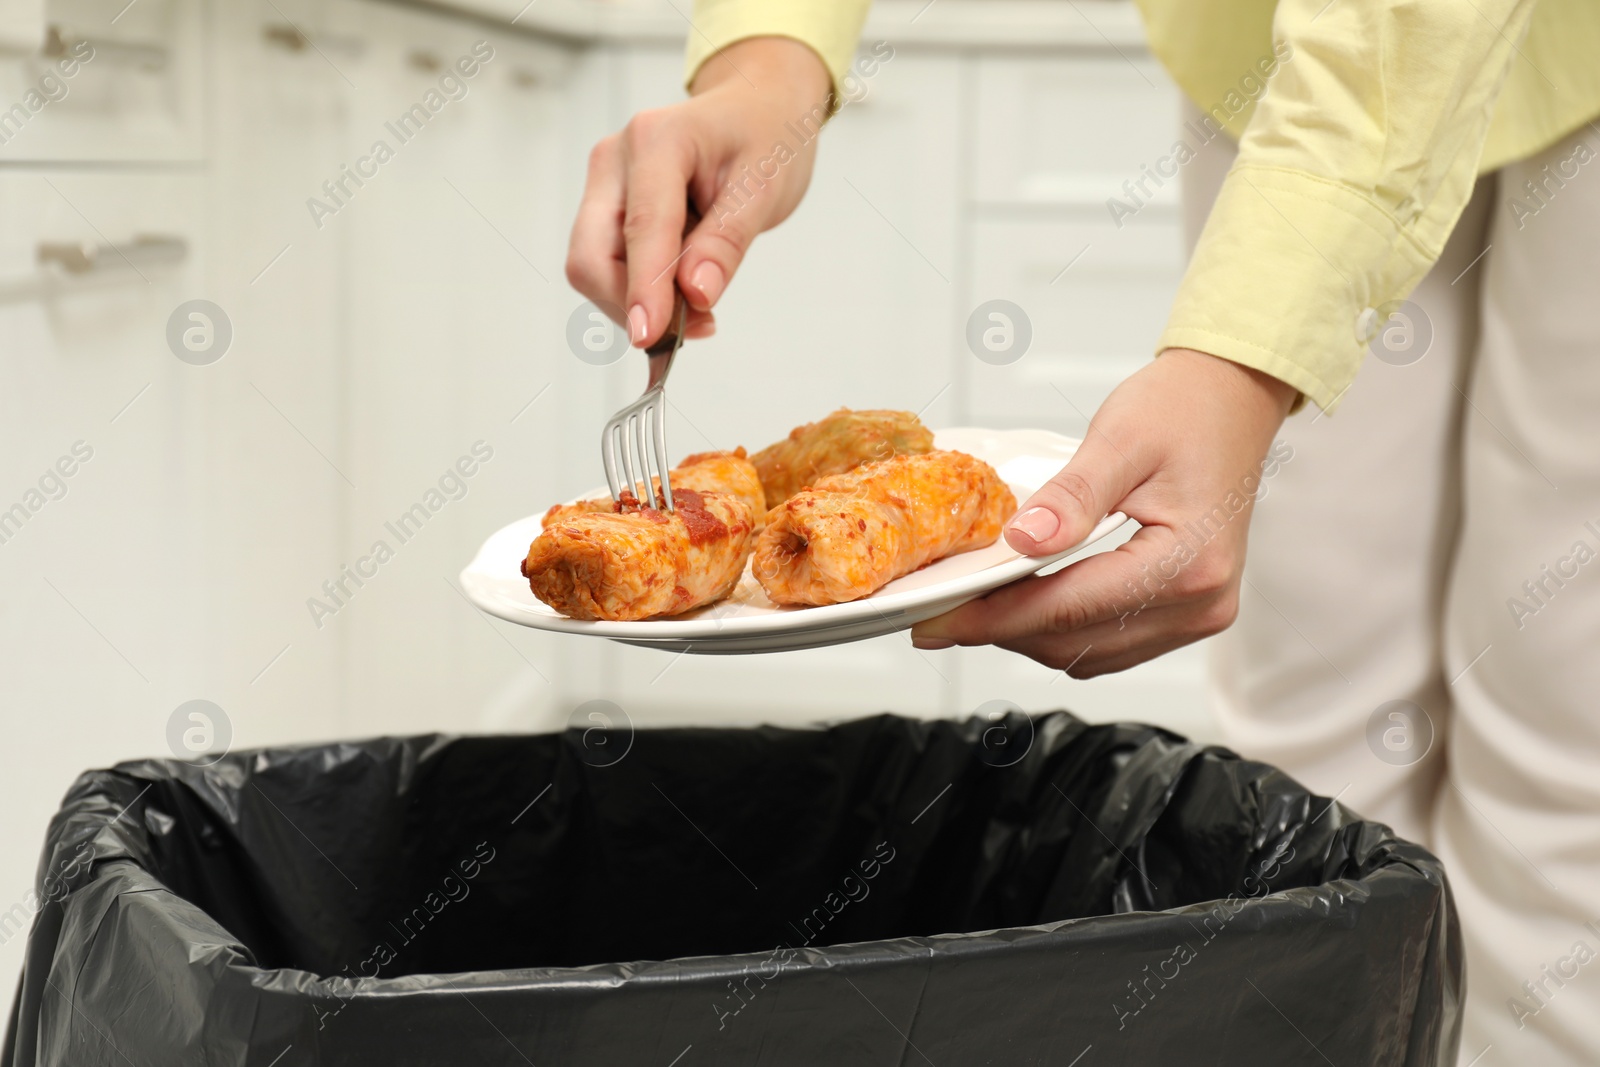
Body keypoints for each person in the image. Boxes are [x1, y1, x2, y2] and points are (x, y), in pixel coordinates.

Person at [564, 1, 1600, 1062]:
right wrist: (768, 63)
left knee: (1567, 711)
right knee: (1314, 676)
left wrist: (1238, 357)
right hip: (1281, 57)